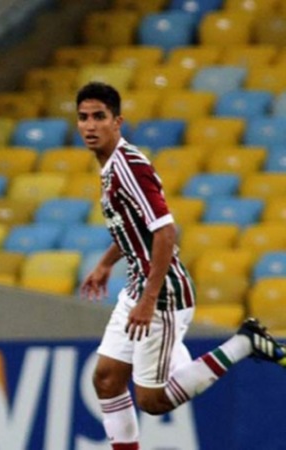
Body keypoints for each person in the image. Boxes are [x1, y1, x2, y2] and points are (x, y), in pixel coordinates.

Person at [77, 81, 286, 449]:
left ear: (117, 121)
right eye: (83, 118)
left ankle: (244, 343)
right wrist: (106, 263)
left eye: (99, 117)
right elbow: (135, 227)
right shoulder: (111, 166)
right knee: (107, 378)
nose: (90, 125)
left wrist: (148, 299)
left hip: (162, 293)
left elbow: (165, 231)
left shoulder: (128, 166)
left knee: (152, 401)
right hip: (137, 286)